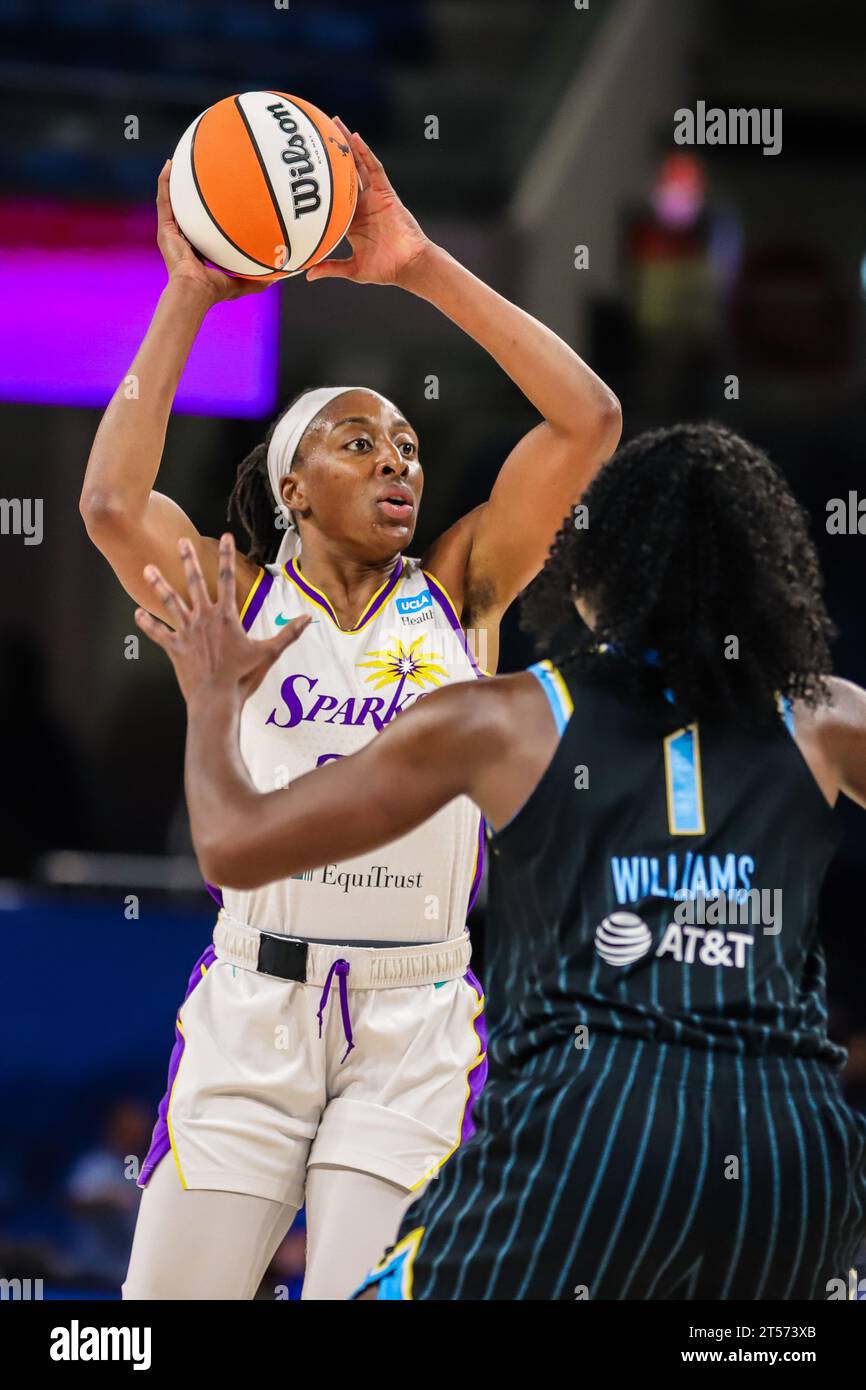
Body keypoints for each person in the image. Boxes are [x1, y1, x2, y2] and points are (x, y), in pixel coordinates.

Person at [136, 422, 866, 1300]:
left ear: (593, 575)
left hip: (593, 1131)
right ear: (769, 572)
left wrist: (214, 700)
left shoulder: (510, 717)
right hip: (789, 1147)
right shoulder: (829, 721)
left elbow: (230, 845)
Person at [80, 119, 621, 1300]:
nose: (397, 462)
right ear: (290, 485)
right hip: (252, 1006)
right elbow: (115, 503)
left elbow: (588, 422)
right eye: (357, 439)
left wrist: (419, 264)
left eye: (409, 445)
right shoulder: (230, 597)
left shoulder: (464, 590)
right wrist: (185, 294)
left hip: (414, 1019)